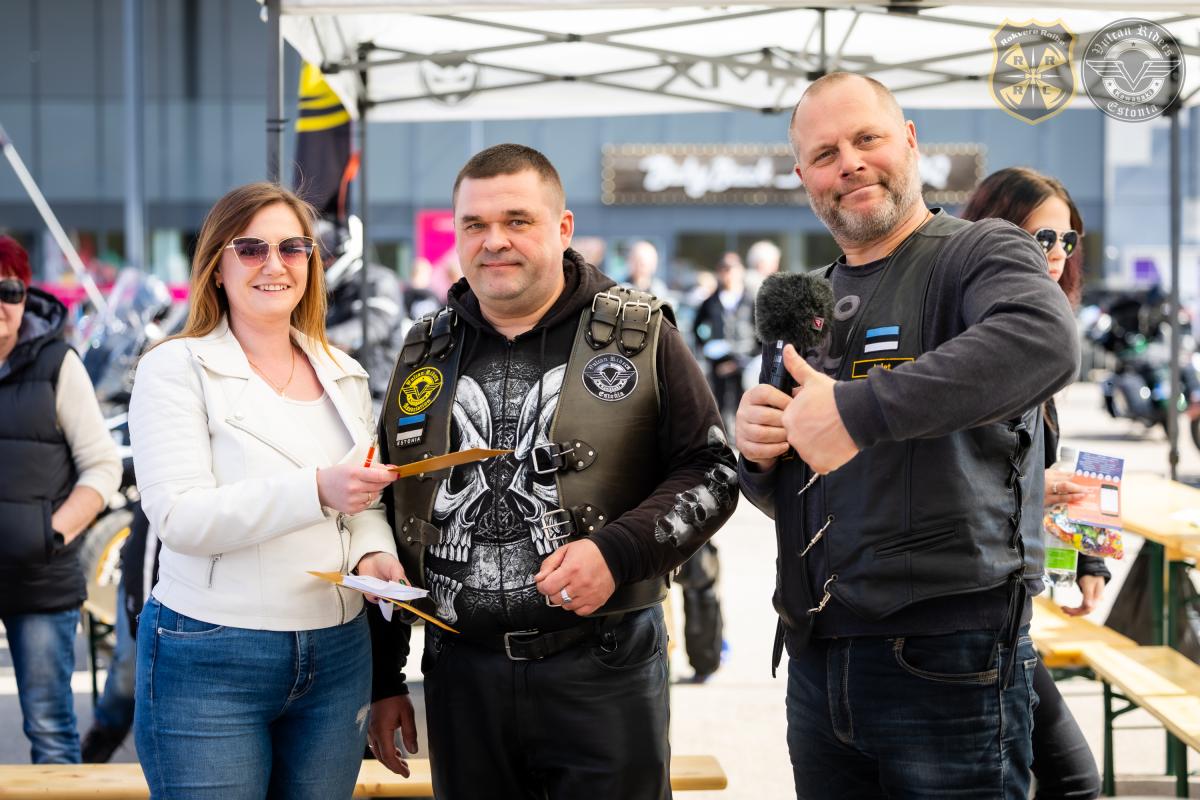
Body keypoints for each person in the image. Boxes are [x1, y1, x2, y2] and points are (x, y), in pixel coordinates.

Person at [735, 73, 1078, 798]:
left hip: (951, 658)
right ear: (802, 176)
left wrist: (856, 411)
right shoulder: (805, 297)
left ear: (911, 141)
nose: (850, 163)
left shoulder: (980, 251)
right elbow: (798, 488)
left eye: (868, 138)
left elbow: (1044, 342)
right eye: (825, 153)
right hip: (816, 661)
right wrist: (759, 454)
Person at [367, 143, 739, 799]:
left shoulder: (641, 333)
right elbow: (391, 506)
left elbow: (713, 471)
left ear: (562, 228)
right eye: (475, 225)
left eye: (517, 220)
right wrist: (385, 676)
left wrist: (616, 553)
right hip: (460, 680)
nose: (494, 241)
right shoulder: (425, 348)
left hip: (604, 671)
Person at [128, 183, 404, 798]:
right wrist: (317, 489)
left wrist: (373, 553)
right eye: (251, 249)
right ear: (216, 267)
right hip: (212, 651)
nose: (274, 264)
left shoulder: (344, 372)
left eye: (293, 248)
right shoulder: (174, 367)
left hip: (339, 651)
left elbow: (365, 500)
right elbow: (180, 518)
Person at [963, 166, 1105, 800]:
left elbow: (1047, 465)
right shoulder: (968, 333)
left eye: (1066, 239)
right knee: (1070, 779)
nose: (1055, 254)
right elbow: (949, 471)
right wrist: (1036, 488)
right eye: (1039, 238)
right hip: (971, 610)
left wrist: (1089, 556)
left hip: (1013, 601)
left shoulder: (1045, 333)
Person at [0, 236, 122, 764]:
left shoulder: (57, 362)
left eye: (9, 290)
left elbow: (103, 466)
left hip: (40, 578)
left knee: (50, 732)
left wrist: (50, 534)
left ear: (26, 294)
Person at [694, 252, 756, 433]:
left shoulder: (751, 299)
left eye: (732, 268)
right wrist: (707, 348)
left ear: (741, 270)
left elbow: (760, 331)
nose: (728, 273)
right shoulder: (711, 301)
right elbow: (697, 327)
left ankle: (742, 435)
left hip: (745, 359)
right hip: (719, 359)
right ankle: (724, 436)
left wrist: (754, 355)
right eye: (724, 269)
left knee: (744, 400)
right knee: (719, 400)